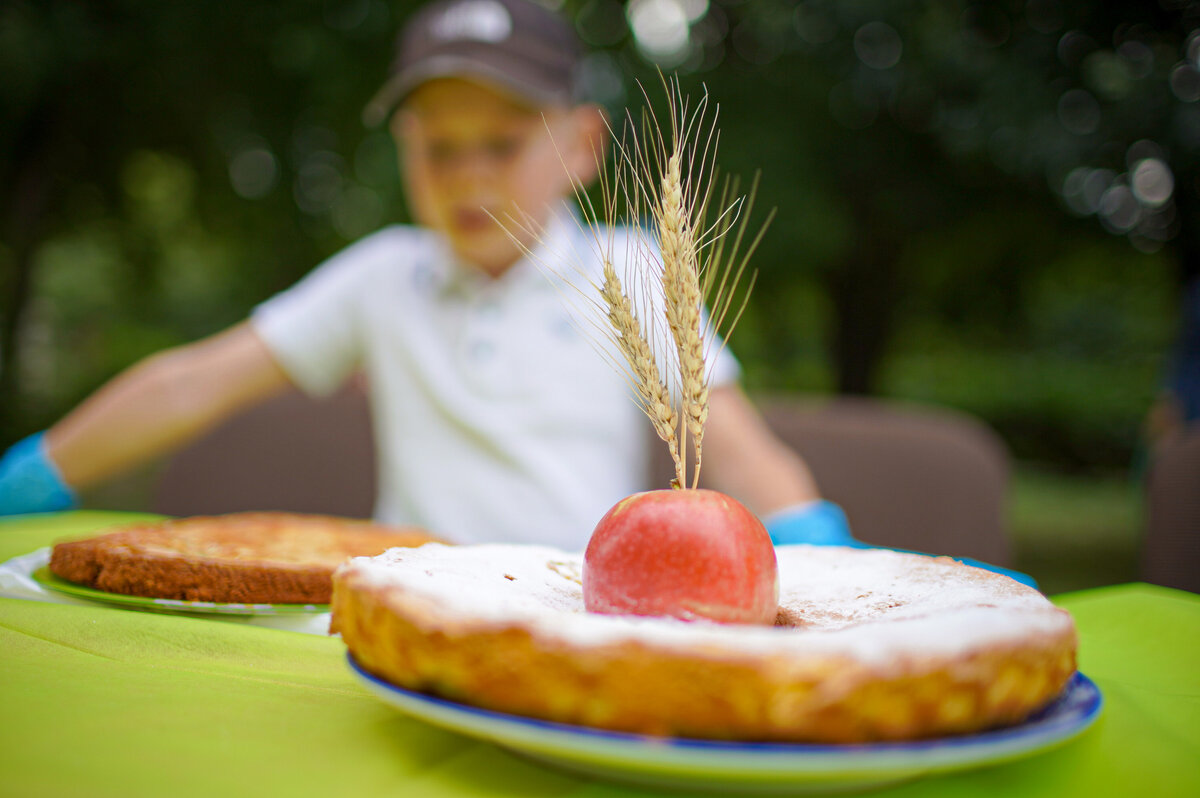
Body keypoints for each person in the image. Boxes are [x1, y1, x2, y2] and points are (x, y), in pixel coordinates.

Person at [0, 0, 850, 549]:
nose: (469, 177)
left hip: (582, 621)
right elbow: (194, 381)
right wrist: (34, 477)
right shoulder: (382, 278)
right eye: (440, 148)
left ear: (583, 146)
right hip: (403, 616)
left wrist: (822, 547)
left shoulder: (632, 269)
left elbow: (738, 450)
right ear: (405, 148)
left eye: (503, 144)